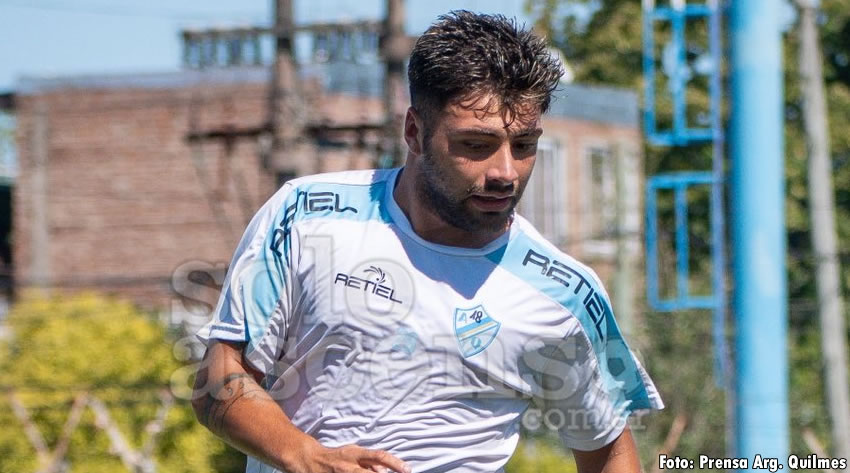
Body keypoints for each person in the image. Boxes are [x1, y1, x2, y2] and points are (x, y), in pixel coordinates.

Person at [192, 10, 663, 473]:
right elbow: (219, 382)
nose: (505, 172)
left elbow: (610, 452)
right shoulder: (305, 216)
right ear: (415, 132)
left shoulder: (567, 292)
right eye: (476, 145)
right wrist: (307, 457)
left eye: (524, 145)